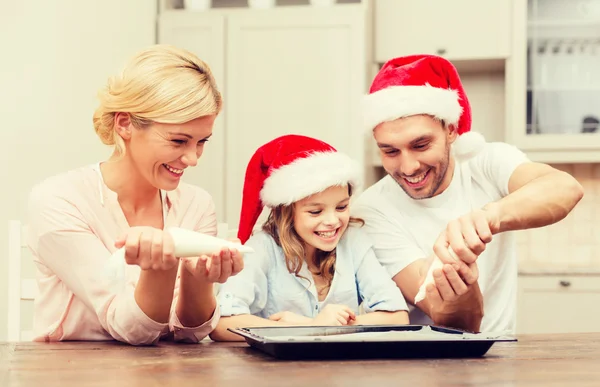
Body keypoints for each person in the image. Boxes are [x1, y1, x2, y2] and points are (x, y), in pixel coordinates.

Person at [26, 45, 244, 345]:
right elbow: (130, 329)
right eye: (178, 140)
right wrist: (161, 268)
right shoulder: (59, 200)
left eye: (201, 142)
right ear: (125, 123)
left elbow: (190, 333)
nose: (193, 158)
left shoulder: (197, 204)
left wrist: (199, 280)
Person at [353, 54, 584, 333]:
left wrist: (488, 218)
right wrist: (460, 284)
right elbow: (445, 315)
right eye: (390, 151)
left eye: (421, 145)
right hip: (420, 365)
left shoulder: (486, 161)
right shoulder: (371, 210)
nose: (408, 166)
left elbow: (564, 188)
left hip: (501, 354)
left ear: (450, 130)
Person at [210, 135, 409, 341]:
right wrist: (315, 326)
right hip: (275, 370)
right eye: (315, 212)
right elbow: (223, 324)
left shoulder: (354, 241)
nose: (332, 221)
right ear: (286, 212)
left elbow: (397, 316)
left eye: (341, 207)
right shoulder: (262, 248)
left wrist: (321, 328)